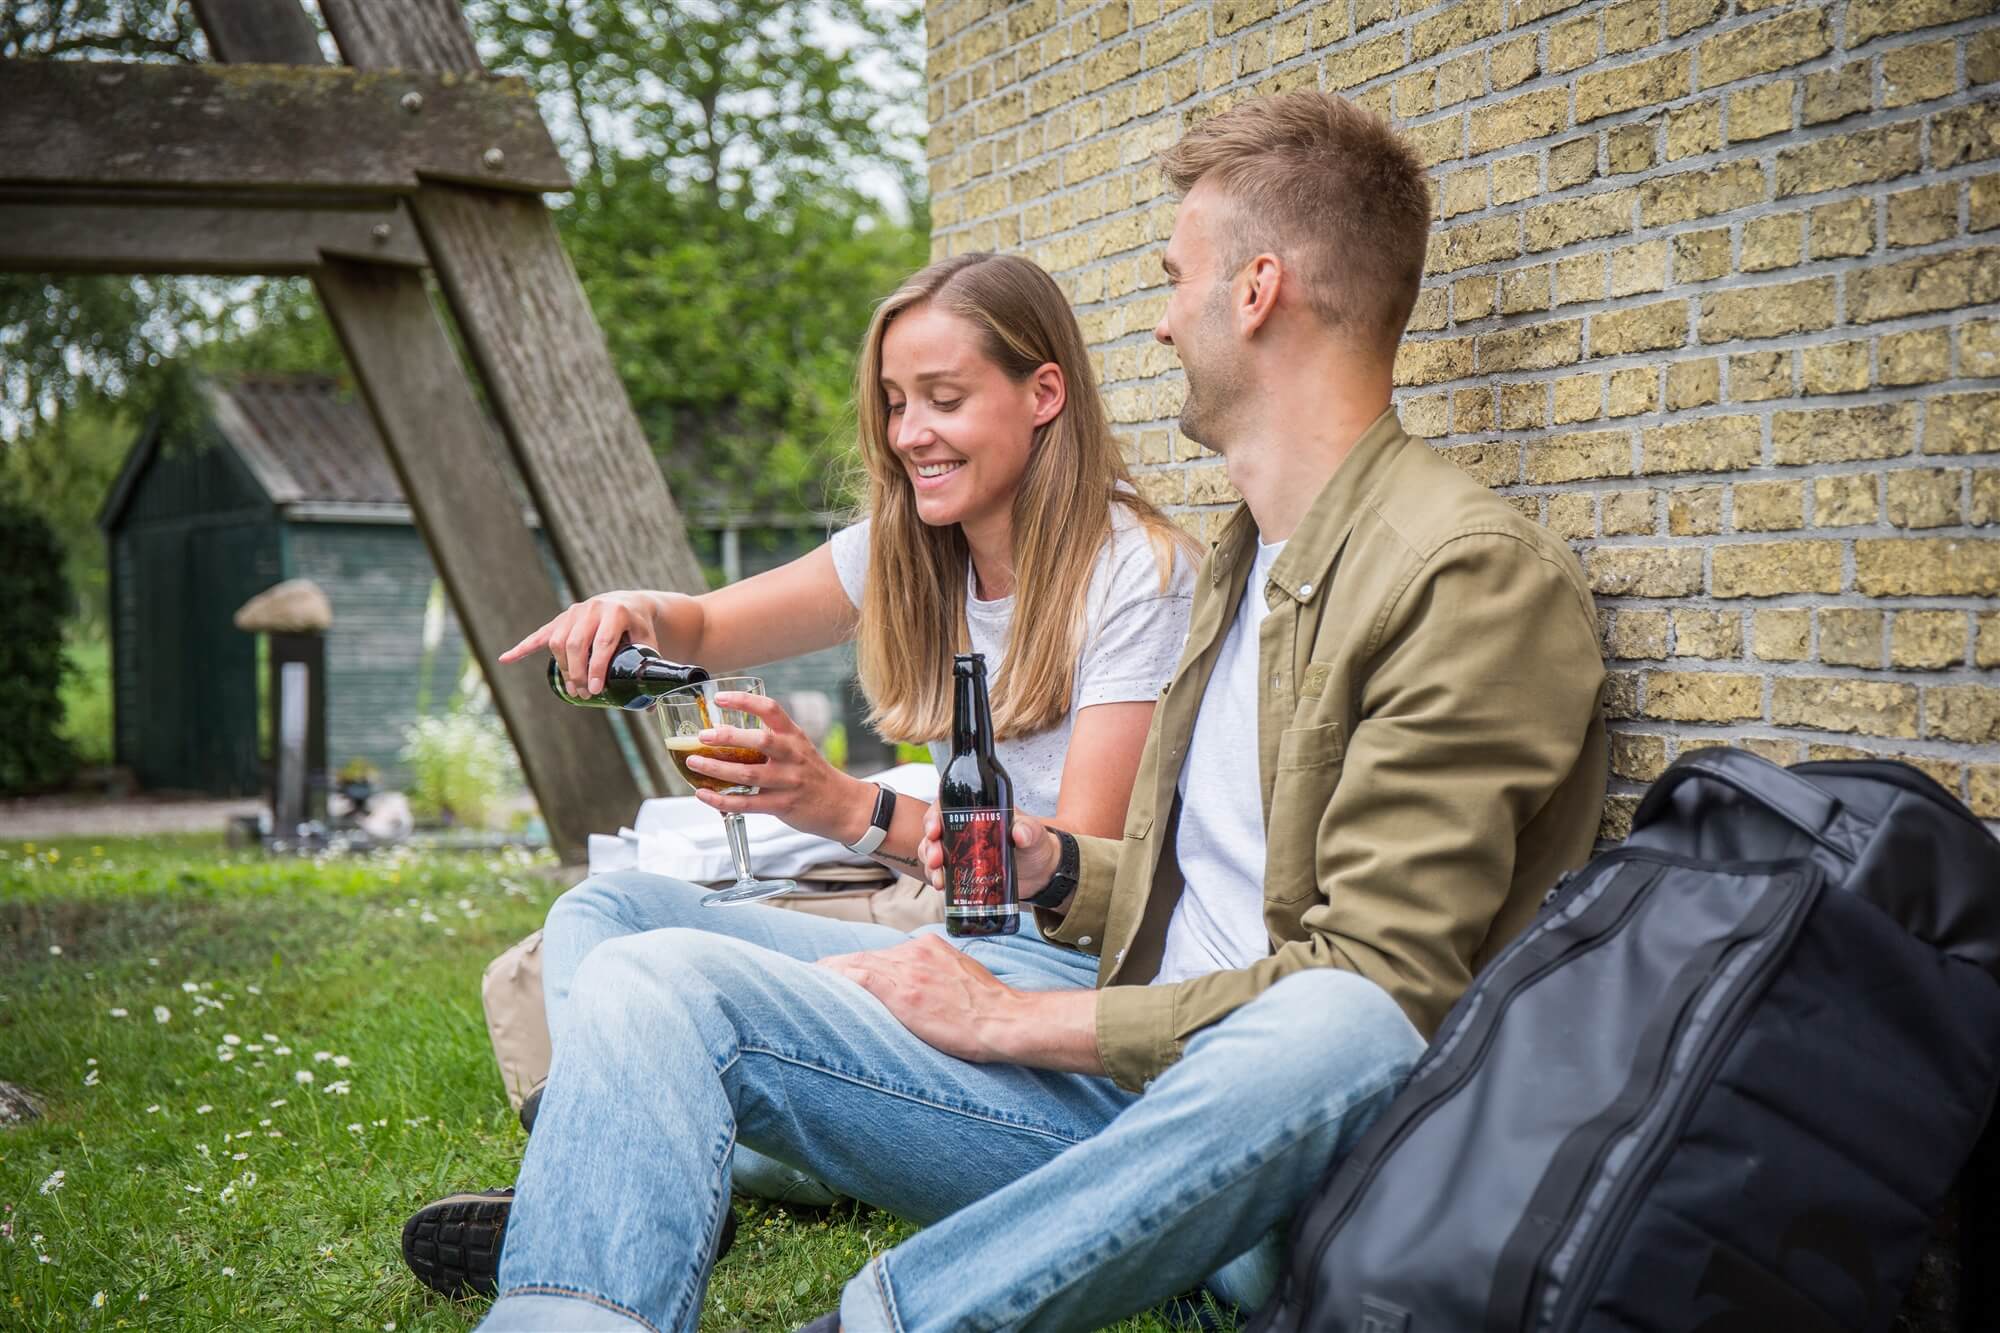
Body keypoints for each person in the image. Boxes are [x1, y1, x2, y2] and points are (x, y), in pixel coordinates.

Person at [462, 90, 1609, 1333]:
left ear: (1257, 290)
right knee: (644, 971)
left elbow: (1381, 997)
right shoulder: (1248, 562)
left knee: (1338, 1022)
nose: (1160, 322)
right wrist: (1052, 866)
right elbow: (1197, 901)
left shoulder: (1463, 573)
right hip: (1109, 1057)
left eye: (1175, 278)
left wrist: (1018, 1010)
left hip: (1243, 1131)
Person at [398, 252, 1199, 1297]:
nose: (910, 432)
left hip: (1057, 994)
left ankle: (640, 1172)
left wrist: (845, 807)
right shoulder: (915, 543)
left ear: (1043, 393)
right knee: (604, 915)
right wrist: (627, 613)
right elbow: (702, 624)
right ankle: (615, 1170)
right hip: (959, 940)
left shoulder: (1132, 571)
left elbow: (1074, 892)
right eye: (895, 402)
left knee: (679, 990)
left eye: (944, 399)